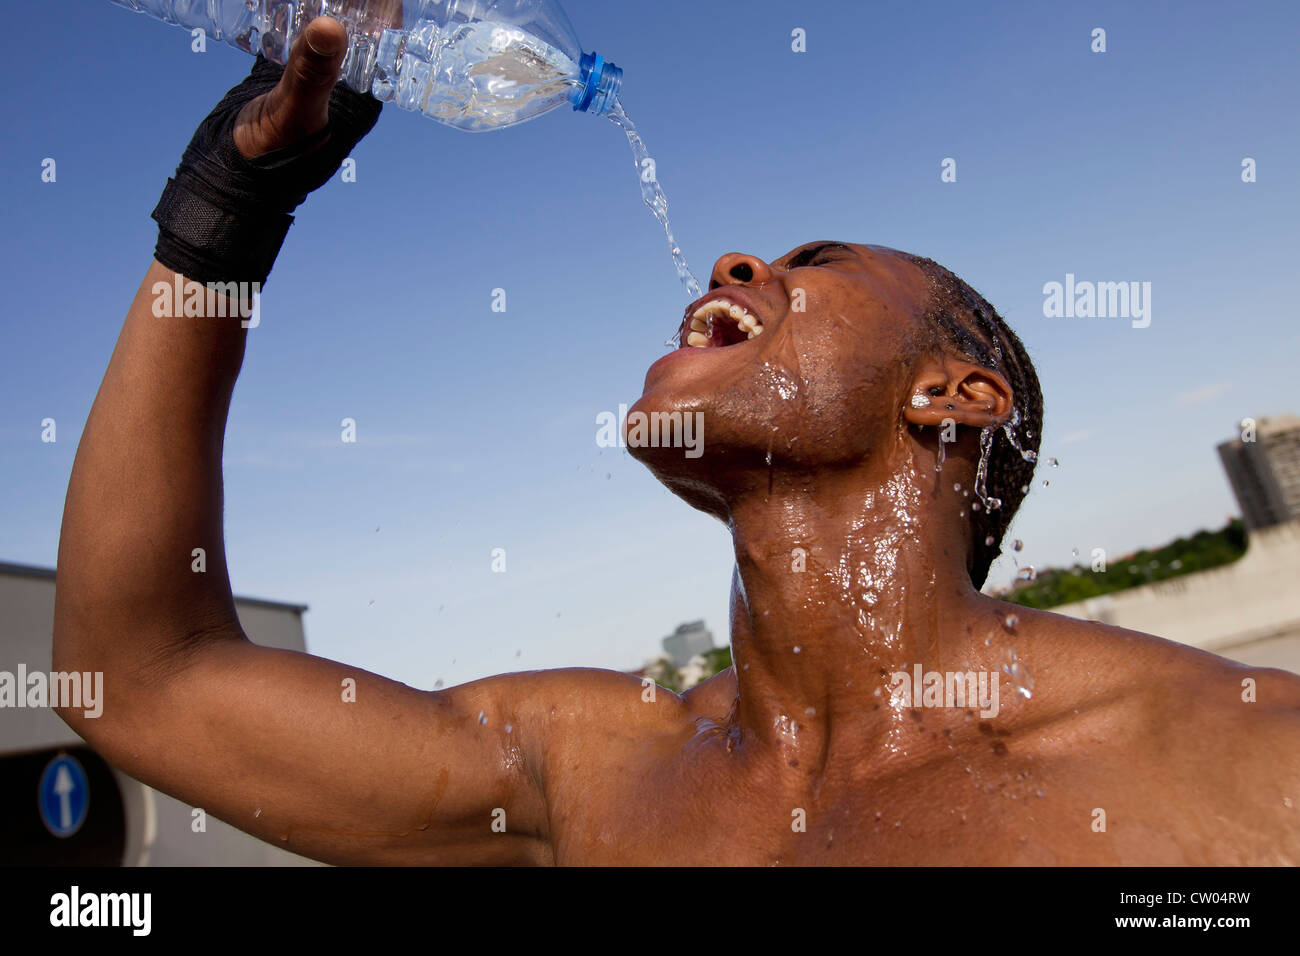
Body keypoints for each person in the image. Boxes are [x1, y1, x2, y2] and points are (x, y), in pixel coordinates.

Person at [53, 17, 1300, 865]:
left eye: (815, 264)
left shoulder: (1234, 768)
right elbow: (136, 677)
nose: (736, 263)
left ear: (953, 396)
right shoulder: (590, 769)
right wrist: (223, 213)